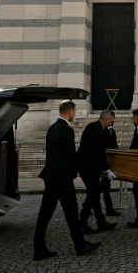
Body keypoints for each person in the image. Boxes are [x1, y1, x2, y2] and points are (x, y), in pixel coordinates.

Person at [33, 101, 100, 260]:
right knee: (71, 212)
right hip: (62, 177)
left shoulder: (52, 128)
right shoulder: (66, 130)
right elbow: (70, 155)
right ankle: (80, 245)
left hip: (51, 176)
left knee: (45, 213)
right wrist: (75, 172)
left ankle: (39, 247)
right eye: (74, 111)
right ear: (70, 112)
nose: (74, 114)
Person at [76, 110, 118, 234]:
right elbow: (101, 154)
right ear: (106, 119)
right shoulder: (100, 131)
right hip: (89, 167)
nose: (111, 124)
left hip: (84, 165)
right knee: (92, 194)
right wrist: (107, 170)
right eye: (111, 121)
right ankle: (82, 223)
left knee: (94, 194)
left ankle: (101, 222)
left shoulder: (91, 126)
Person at [100, 110, 121, 217]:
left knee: (104, 186)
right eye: (112, 120)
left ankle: (108, 208)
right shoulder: (100, 131)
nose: (113, 122)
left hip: (109, 162)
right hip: (102, 162)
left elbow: (114, 146)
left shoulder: (112, 131)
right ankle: (109, 208)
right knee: (104, 186)